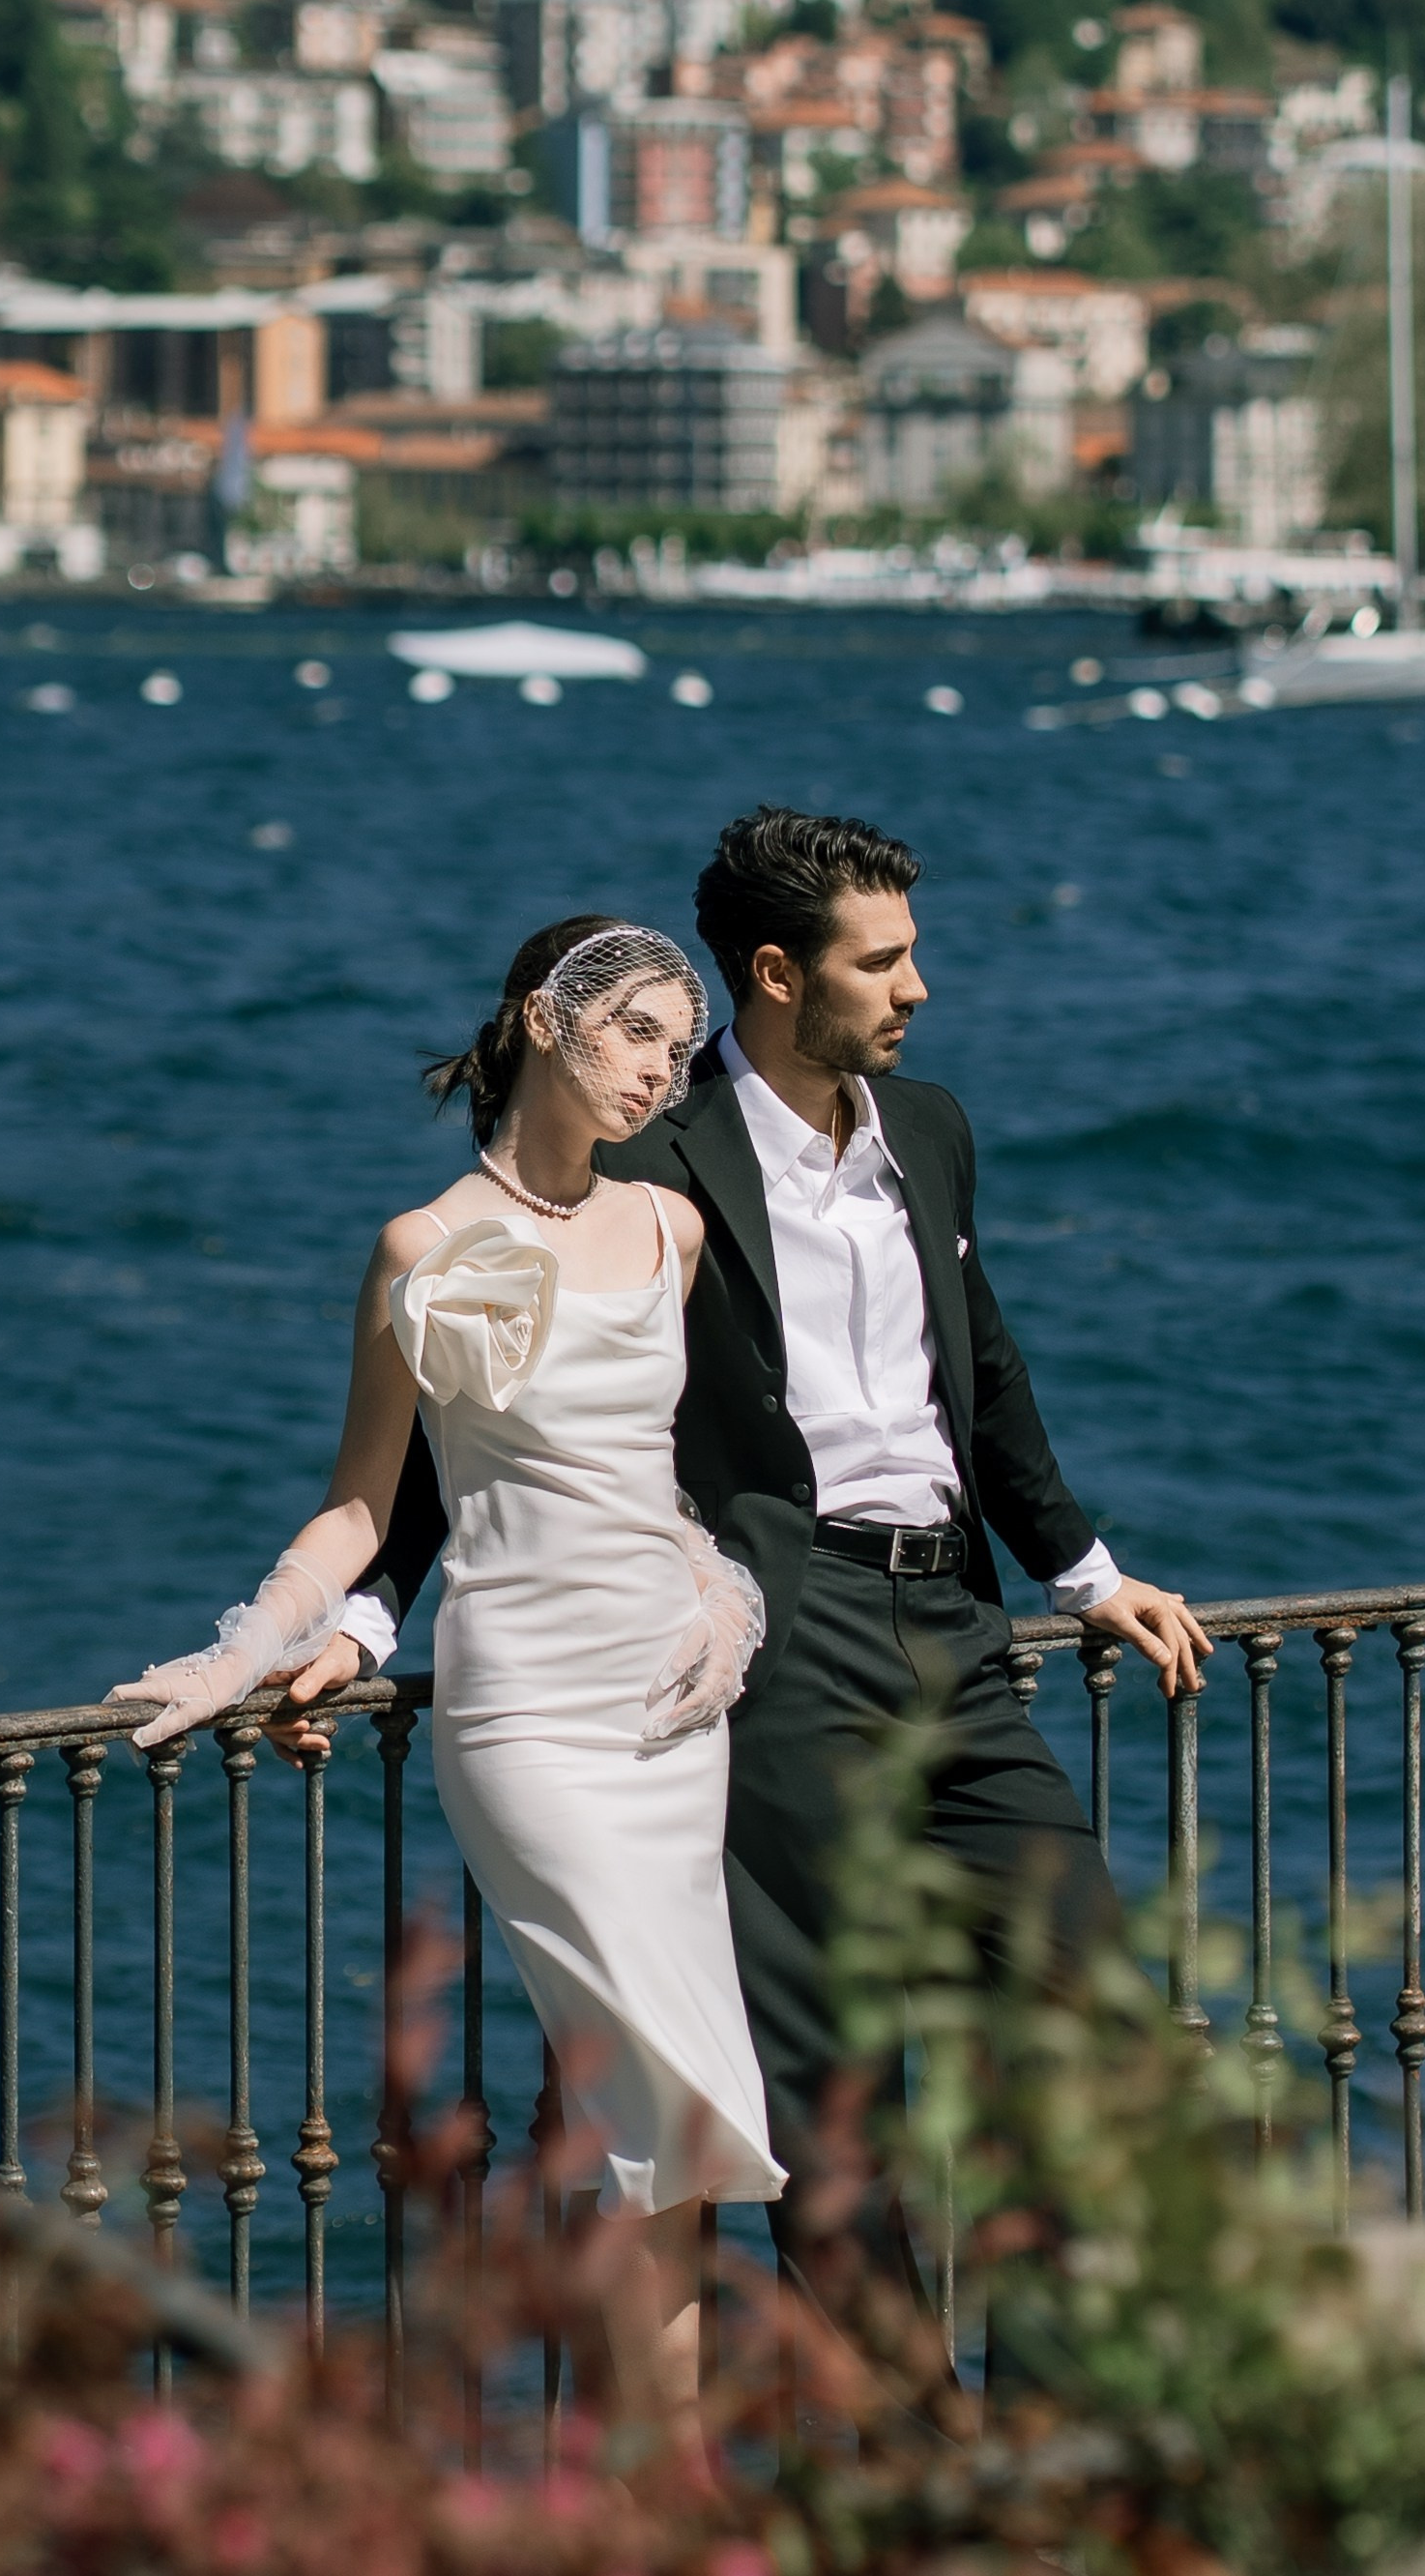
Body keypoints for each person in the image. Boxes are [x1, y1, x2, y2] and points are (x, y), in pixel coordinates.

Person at [341, 808, 1210, 2280]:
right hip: (782, 1642)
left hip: (955, 1630)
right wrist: (363, 1614)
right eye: (882, 961)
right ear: (777, 973)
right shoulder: (656, 1157)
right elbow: (480, 1397)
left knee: (1085, 2011)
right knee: (826, 2088)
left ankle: (1046, 2441)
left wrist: (1084, 1570)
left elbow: (979, 1365)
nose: (917, 986)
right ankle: (901, 2449)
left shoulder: (926, 1128)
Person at [113, 917, 783, 2451]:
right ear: (546, 1023)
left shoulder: (673, 1230)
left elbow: (668, 1471)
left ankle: (655, 2492)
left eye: (678, 1048)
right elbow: (365, 1498)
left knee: (667, 2121)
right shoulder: (422, 1245)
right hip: (529, 1711)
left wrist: (709, 1580)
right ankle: (658, 2488)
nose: (658, 1071)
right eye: (633, 1035)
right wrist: (261, 1641)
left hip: (673, 1705)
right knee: (659, 2100)